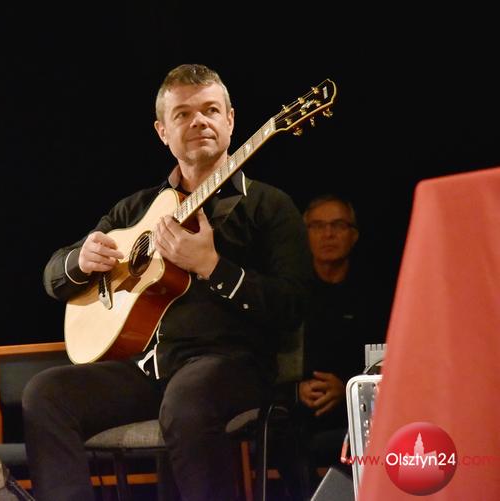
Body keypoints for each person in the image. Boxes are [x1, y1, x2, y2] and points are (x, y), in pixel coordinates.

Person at [23, 63, 312, 501]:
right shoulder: (134, 210)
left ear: (231, 120)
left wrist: (213, 266)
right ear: (163, 131)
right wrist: (79, 262)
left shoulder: (269, 206)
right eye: (183, 114)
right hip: (151, 371)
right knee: (46, 394)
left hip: (233, 366)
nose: (199, 121)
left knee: (187, 400)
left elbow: (293, 305)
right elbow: (53, 277)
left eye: (210, 110)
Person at [292, 194, 390, 492]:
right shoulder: (288, 293)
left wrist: (347, 386)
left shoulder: (376, 294)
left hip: (360, 412)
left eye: (338, 225)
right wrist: (295, 389)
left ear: (354, 235)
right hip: (297, 413)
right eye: (317, 226)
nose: (328, 234)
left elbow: (390, 361)